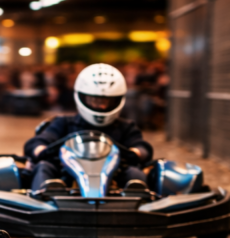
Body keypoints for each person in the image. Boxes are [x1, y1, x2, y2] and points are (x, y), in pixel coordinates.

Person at [24, 63, 153, 193]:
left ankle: (138, 198)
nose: (101, 106)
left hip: (115, 176)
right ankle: (45, 196)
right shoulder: (64, 123)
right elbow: (38, 141)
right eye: (94, 101)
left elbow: (142, 147)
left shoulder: (125, 127)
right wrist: (41, 150)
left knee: (134, 172)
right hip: (66, 175)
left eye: (106, 102)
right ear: (81, 97)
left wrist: (135, 152)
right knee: (44, 166)